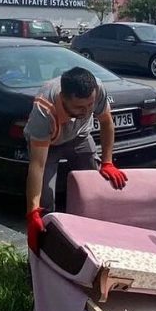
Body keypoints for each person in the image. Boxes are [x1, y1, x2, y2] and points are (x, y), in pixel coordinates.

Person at [24, 66, 127, 252]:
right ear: (63, 97)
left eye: (90, 105)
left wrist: (108, 161)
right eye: (80, 107)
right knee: (45, 200)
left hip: (79, 137)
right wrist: (32, 212)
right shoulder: (44, 109)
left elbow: (106, 122)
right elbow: (37, 166)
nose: (87, 111)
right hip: (50, 144)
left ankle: (90, 241)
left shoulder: (97, 89)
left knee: (92, 188)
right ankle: (46, 253)